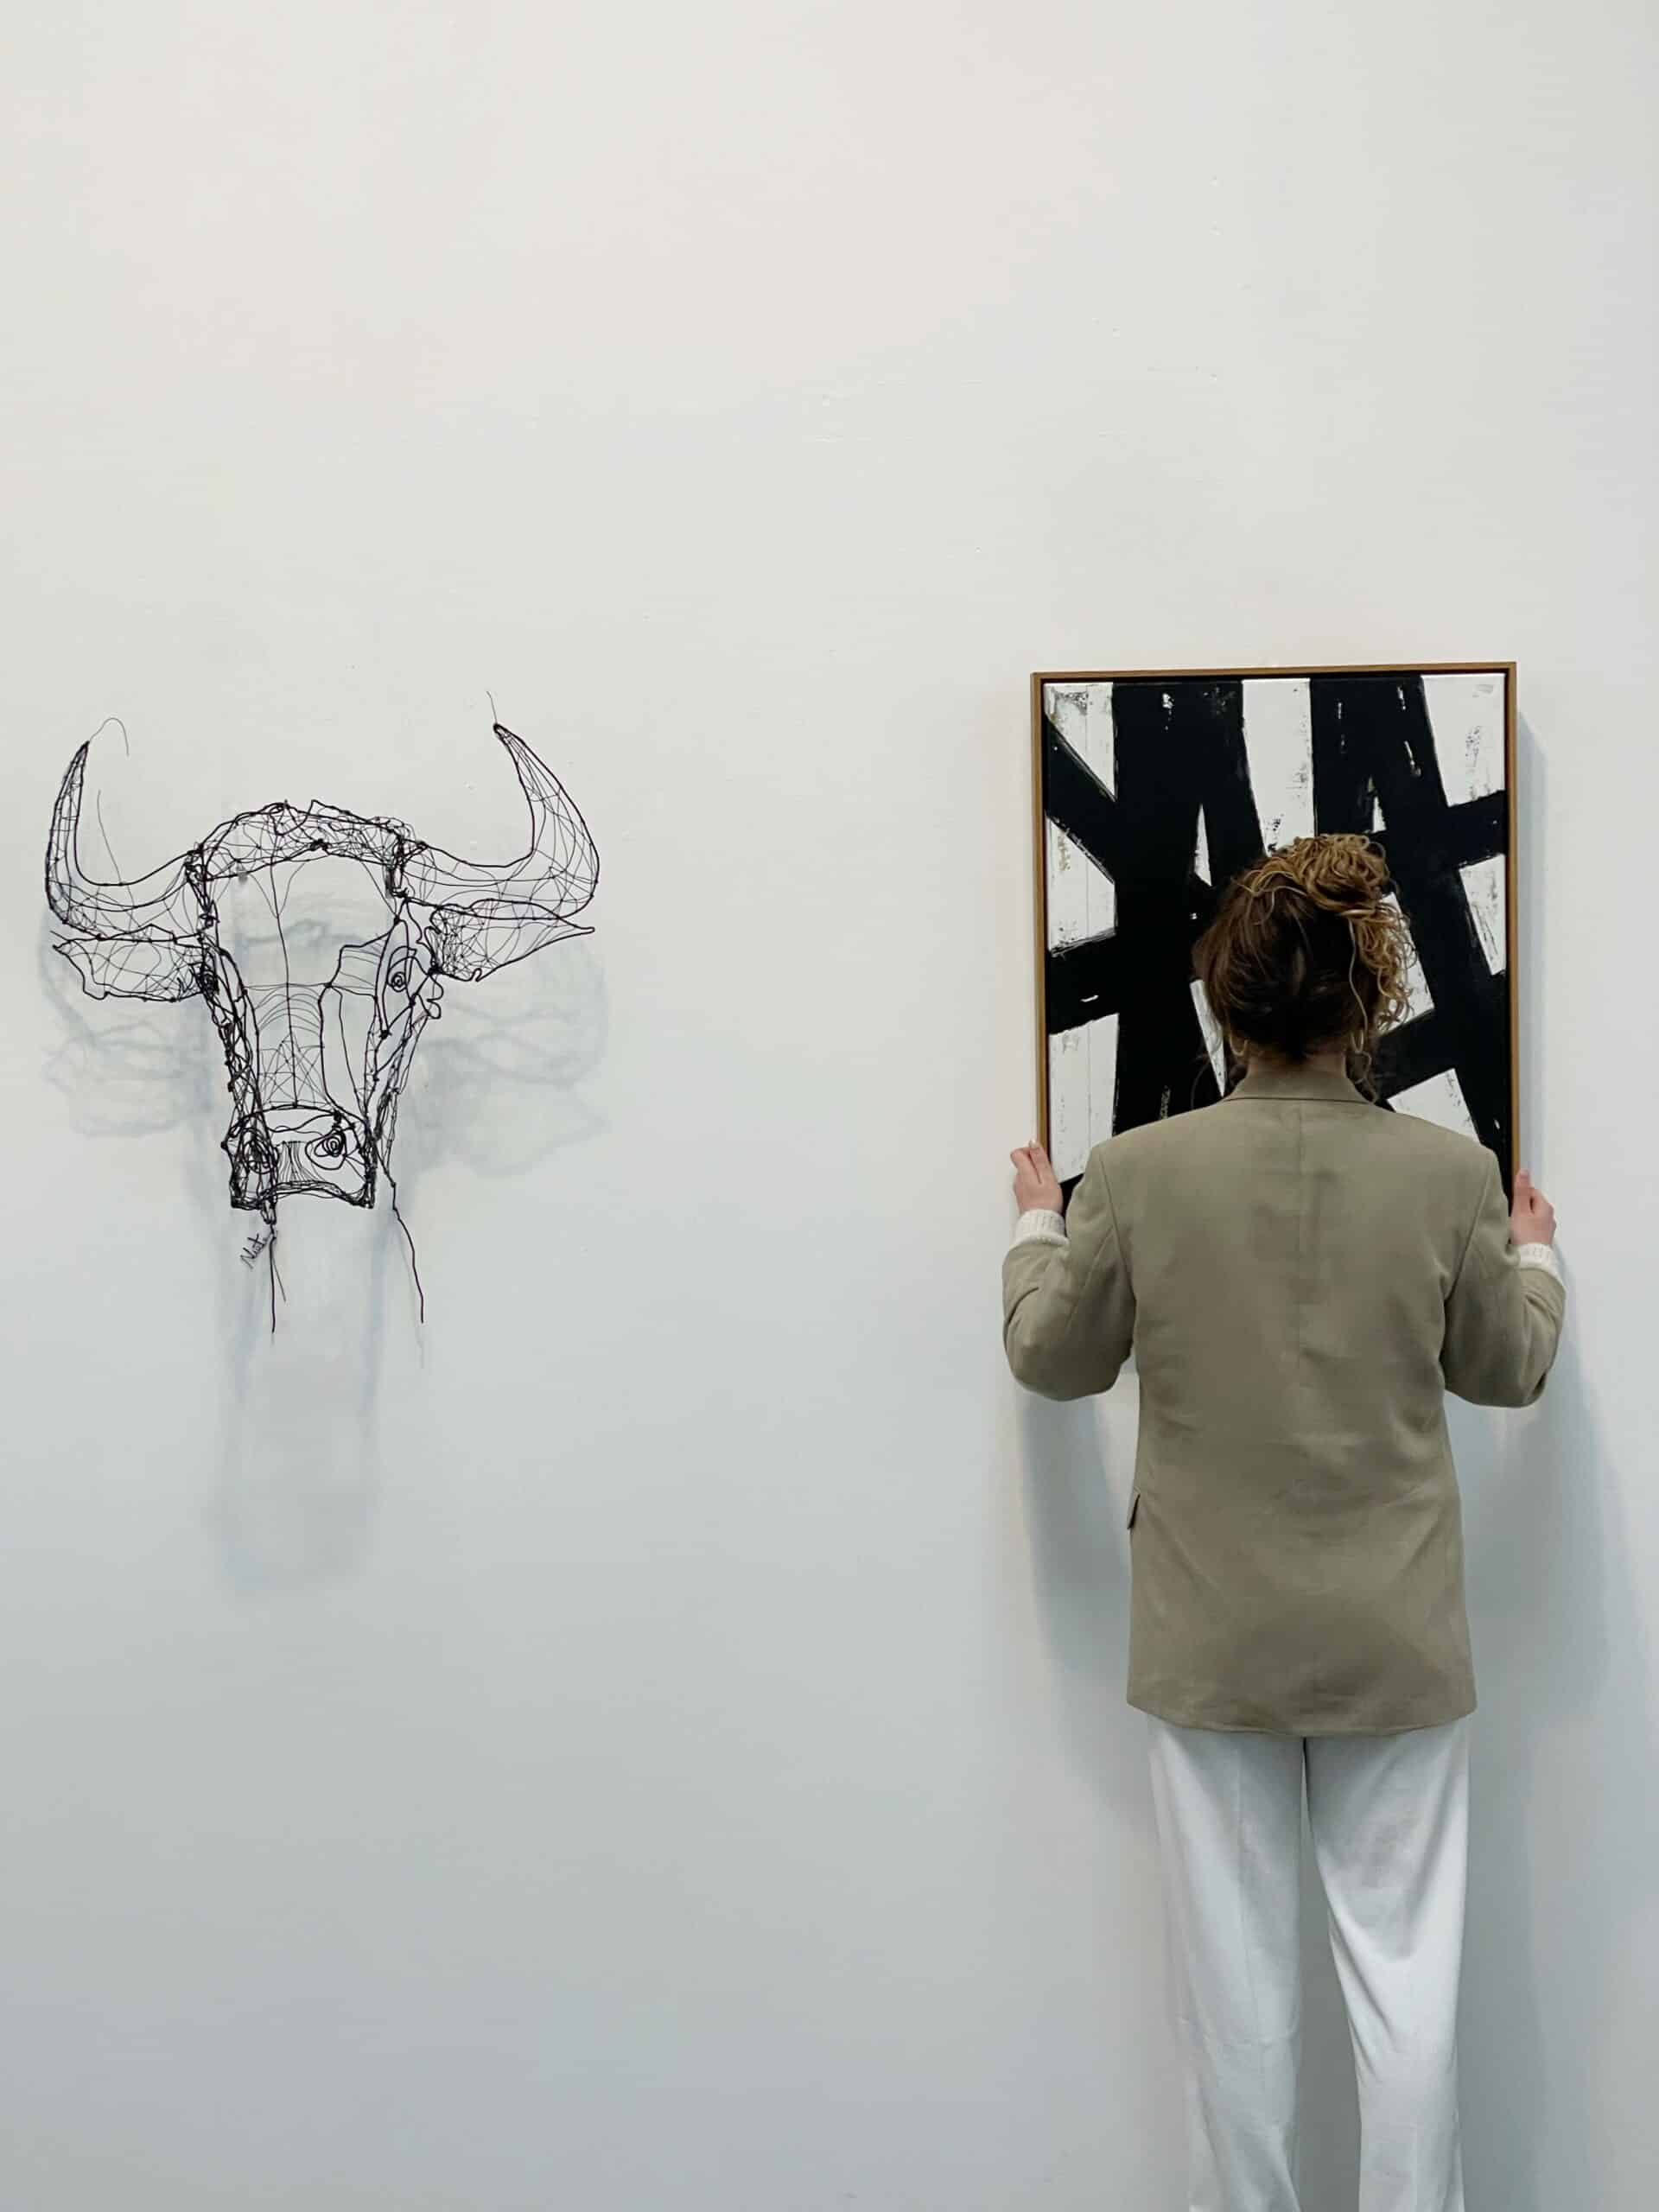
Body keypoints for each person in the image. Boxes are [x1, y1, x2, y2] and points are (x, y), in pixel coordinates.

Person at [1001, 832, 1565, 2212]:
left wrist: (1033, 1232)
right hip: (1396, 1635)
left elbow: (1053, 1358)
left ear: (1229, 1000)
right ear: (1368, 997)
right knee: (1408, 1987)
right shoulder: (1447, 1175)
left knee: (1238, 2003)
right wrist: (1539, 1255)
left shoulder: (1136, 1171)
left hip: (1214, 1638)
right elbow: (1509, 1370)